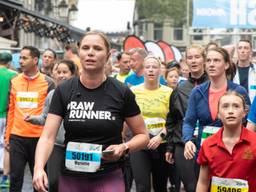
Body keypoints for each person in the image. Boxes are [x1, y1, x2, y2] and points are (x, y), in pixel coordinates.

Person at [32, 31, 149, 192]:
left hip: (109, 175)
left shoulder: (121, 91)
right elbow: (47, 136)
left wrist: (124, 147)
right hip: (71, 177)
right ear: (79, 53)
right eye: (86, 48)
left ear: (108, 55)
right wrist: (38, 168)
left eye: (97, 48)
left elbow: (143, 135)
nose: (91, 52)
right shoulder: (64, 91)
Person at [183, 47, 250, 166]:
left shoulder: (239, 91)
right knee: (201, 184)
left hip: (232, 154)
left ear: (226, 65)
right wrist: (188, 140)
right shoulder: (198, 92)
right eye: (208, 61)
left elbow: (248, 123)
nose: (211, 64)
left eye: (216, 60)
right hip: (205, 152)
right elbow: (189, 121)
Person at [4, 46, 55, 192]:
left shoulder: (48, 82)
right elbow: (11, 110)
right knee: (15, 179)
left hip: (39, 139)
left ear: (35, 60)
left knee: (38, 180)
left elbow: (51, 115)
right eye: (20, 57)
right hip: (17, 137)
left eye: (24, 58)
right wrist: (7, 137)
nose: (20, 61)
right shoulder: (14, 80)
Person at [24, 59, 78, 192]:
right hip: (56, 146)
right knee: (54, 182)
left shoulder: (79, 94)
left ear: (72, 74)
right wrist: (33, 119)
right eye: (58, 72)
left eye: (65, 72)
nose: (61, 75)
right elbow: (45, 118)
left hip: (77, 146)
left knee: (74, 183)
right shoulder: (52, 95)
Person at [165, 44, 208, 192]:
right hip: (183, 145)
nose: (194, 61)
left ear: (204, 60)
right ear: (186, 62)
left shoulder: (214, 84)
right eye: (190, 58)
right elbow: (172, 119)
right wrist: (170, 147)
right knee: (191, 188)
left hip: (208, 143)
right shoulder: (179, 88)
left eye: (197, 57)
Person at [196, 91, 256, 192]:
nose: (231, 111)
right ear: (218, 114)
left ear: (245, 113)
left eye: (236, 106)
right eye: (225, 106)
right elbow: (203, 182)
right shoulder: (208, 144)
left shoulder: (254, 142)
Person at [130, 55, 172, 192]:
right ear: (143, 70)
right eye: (147, 67)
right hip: (139, 143)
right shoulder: (133, 91)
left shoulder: (169, 92)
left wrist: (160, 137)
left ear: (160, 71)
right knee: (142, 187)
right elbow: (127, 118)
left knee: (161, 186)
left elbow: (173, 121)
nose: (151, 70)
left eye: (154, 67)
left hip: (161, 144)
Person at [0, 52, 17, 188]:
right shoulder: (13, 75)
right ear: (9, 62)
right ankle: (2, 168)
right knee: (4, 143)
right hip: (6, 114)